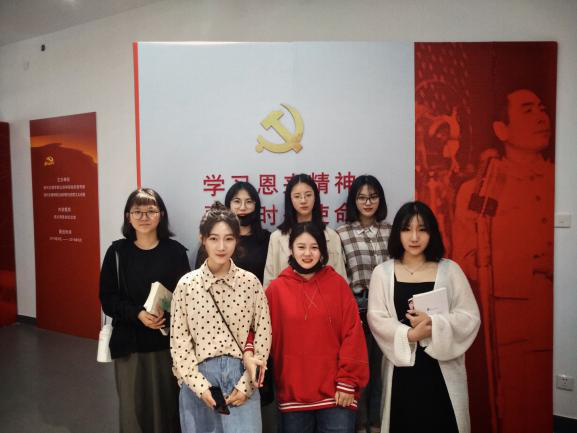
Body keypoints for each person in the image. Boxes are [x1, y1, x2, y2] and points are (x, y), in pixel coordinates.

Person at [452, 88, 554, 433]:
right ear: (501, 129)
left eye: (542, 108)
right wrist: (530, 263)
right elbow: (465, 259)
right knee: (513, 412)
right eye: (528, 110)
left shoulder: (560, 180)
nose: (541, 117)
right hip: (508, 323)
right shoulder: (478, 188)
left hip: (555, 318)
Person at [368, 201, 480, 433]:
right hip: (401, 371)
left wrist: (434, 325)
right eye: (406, 229)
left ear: (432, 233)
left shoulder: (450, 270)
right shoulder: (383, 273)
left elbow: (469, 317)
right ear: (397, 233)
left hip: (442, 370)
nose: (414, 237)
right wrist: (409, 334)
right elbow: (377, 318)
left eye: (422, 229)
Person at [171, 202, 272, 433]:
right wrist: (200, 387)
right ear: (203, 239)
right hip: (198, 381)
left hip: (241, 378)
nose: (221, 246)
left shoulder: (250, 283)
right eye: (214, 238)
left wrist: (247, 384)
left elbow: (263, 335)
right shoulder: (187, 285)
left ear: (237, 240)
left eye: (228, 239)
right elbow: (179, 343)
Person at [261, 222, 369, 433]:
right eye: (301, 247)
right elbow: (260, 333)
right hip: (293, 399)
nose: (307, 253)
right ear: (291, 249)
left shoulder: (338, 285)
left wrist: (348, 381)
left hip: (337, 396)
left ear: (322, 251)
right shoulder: (276, 290)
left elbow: (353, 334)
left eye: (314, 247)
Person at [99, 188, 191, 433]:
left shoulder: (175, 252)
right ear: (128, 217)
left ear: (161, 215)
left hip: (167, 346)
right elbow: (108, 299)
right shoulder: (117, 253)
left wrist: (166, 314)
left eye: (151, 211)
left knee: (168, 410)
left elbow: (187, 299)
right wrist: (138, 314)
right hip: (130, 347)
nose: (144, 217)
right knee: (133, 412)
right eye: (137, 212)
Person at [336, 175, 391, 433]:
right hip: (357, 307)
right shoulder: (341, 233)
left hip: (388, 308)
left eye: (373, 197)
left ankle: (379, 425)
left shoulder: (391, 231)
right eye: (361, 197)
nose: (368, 202)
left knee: (383, 371)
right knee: (361, 369)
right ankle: (360, 425)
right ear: (353, 201)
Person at [263, 173, 346, 288]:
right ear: (290, 199)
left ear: (315, 197)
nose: (303, 200)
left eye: (308, 195)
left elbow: (341, 279)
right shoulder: (277, 237)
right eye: (297, 196)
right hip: (287, 298)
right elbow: (269, 281)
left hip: (324, 297)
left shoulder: (331, 236)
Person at [195, 181, 271, 284]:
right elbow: (199, 278)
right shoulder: (213, 239)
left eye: (249, 201)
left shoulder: (267, 239)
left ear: (255, 206)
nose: (243, 207)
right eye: (237, 201)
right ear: (229, 205)